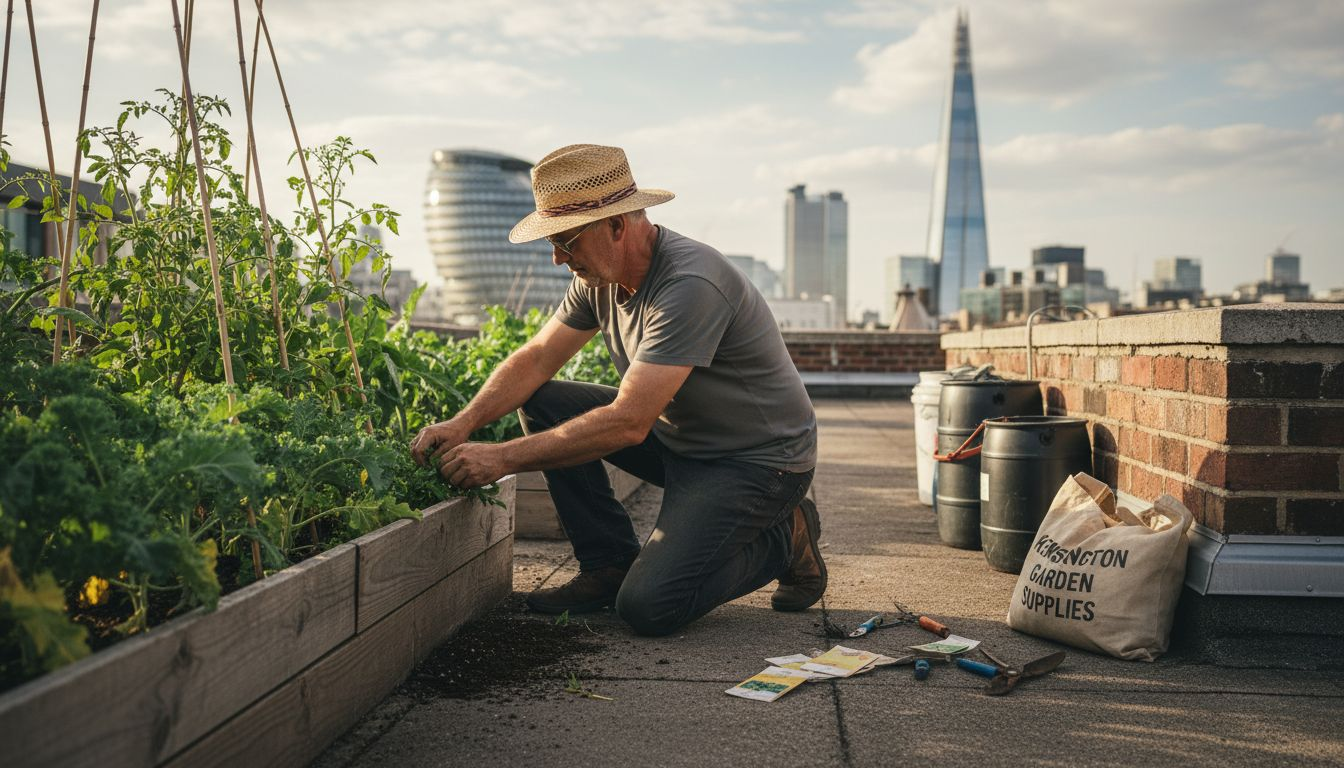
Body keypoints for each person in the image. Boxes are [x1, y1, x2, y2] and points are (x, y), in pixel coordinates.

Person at [410, 144, 824, 637]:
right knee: (542, 400)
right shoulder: (598, 277)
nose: (558, 258)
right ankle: (607, 565)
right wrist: (464, 422)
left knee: (651, 607)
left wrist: (501, 458)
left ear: (617, 225)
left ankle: (786, 534)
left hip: (758, 463)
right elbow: (537, 358)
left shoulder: (689, 283)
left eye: (566, 241)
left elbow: (629, 422)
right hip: (683, 441)